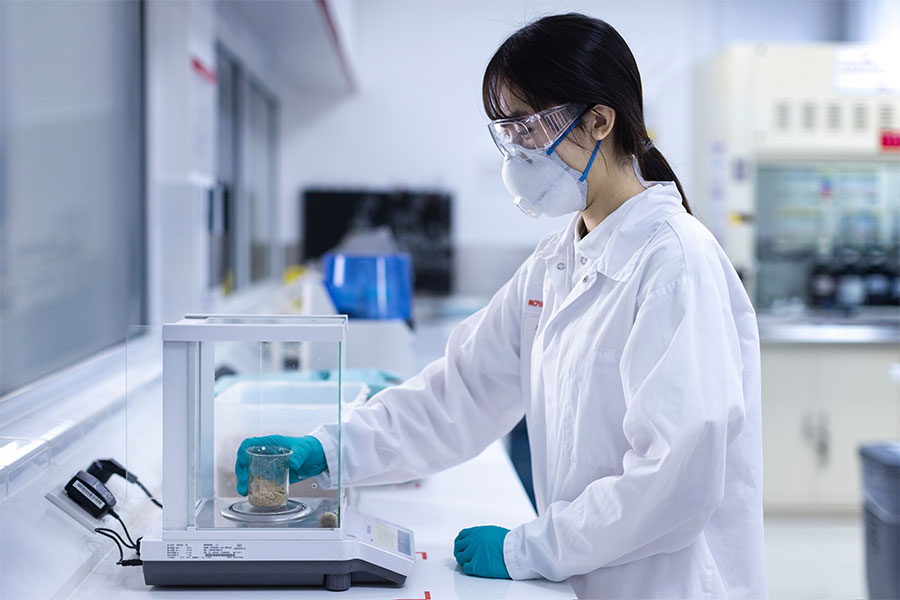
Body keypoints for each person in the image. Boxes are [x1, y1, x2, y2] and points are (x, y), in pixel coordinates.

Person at [235, 12, 767, 599]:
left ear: (599, 121)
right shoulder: (556, 263)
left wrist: (529, 549)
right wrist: (330, 449)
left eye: (527, 127)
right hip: (588, 579)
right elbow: (458, 394)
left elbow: (676, 479)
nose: (516, 153)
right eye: (505, 131)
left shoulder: (675, 264)